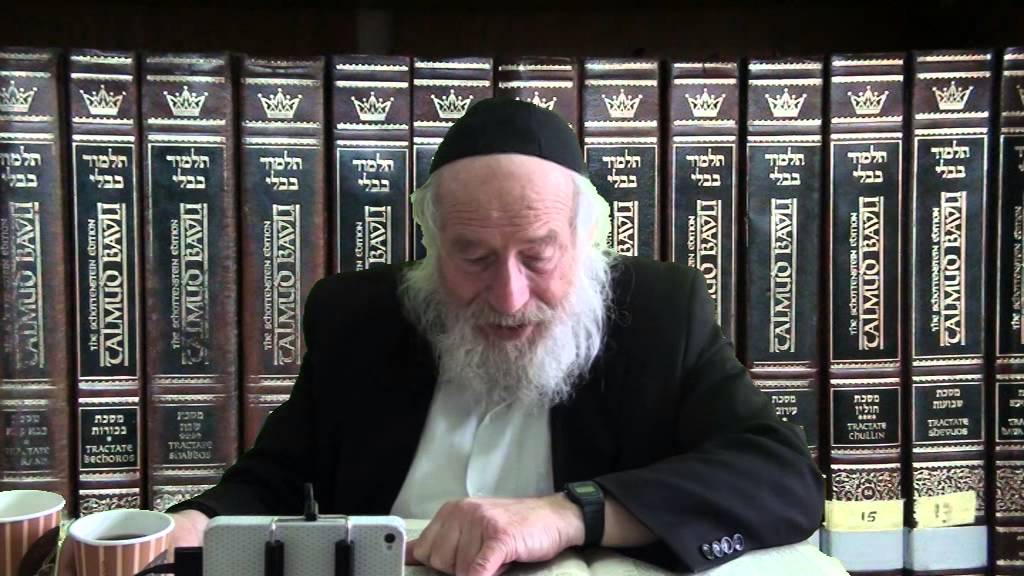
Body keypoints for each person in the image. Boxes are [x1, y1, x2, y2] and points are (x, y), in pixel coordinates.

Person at [62, 97, 828, 576]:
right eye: (474, 258)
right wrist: (193, 524)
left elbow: (778, 478)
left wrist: (568, 512)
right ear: (432, 246)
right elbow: (277, 478)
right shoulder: (359, 317)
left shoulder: (659, 312)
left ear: (582, 241)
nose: (509, 296)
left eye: (538, 256)